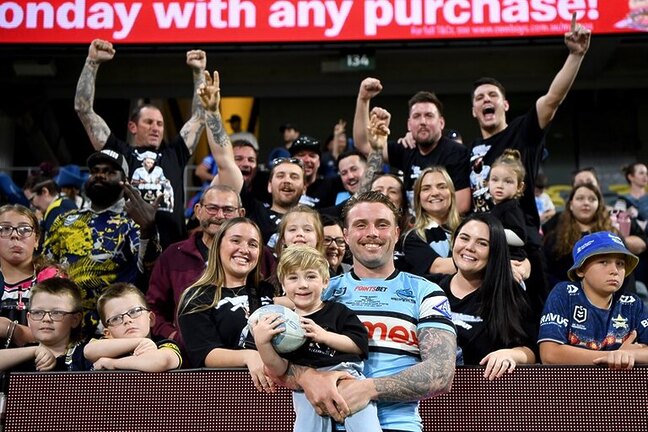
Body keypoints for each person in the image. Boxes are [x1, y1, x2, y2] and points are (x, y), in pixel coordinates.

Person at [275, 191, 456, 432]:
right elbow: (274, 359)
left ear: (396, 233)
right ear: (346, 236)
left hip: (397, 426)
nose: (372, 233)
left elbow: (441, 373)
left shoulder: (425, 292)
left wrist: (367, 389)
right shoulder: (319, 290)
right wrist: (307, 378)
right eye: (361, 225)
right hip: (325, 423)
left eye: (382, 225)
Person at [74, 39, 207, 247]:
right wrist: (92, 62)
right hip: (127, 248)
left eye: (160, 124)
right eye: (149, 122)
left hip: (171, 250)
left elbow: (200, 117)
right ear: (133, 127)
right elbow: (84, 110)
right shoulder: (119, 152)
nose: (156, 128)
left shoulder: (174, 154)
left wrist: (199, 73)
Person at [251, 245, 381, 432]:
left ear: (325, 281)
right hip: (306, 386)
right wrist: (262, 343)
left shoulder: (339, 311)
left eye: (311, 276)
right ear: (282, 284)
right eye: (293, 278)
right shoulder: (280, 323)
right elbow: (279, 368)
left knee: (366, 425)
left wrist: (325, 336)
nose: (302, 284)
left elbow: (358, 346)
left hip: (346, 377)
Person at [43, 149, 161, 338]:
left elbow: (149, 270)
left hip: (116, 328)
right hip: (66, 327)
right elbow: (46, 269)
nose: (100, 175)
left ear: (126, 181)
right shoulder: (65, 220)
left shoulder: (133, 222)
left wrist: (148, 229)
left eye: (109, 172)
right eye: (95, 171)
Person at [199, 70, 306, 246]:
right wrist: (212, 112)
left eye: (294, 176)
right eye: (280, 175)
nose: (287, 180)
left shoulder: (316, 216)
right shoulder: (254, 210)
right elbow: (225, 161)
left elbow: (362, 198)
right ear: (269, 185)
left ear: (305, 188)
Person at [177, 218, 276, 391]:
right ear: (218, 245)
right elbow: (205, 353)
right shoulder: (197, 297)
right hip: (224, 391)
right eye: (235, 241)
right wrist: (248, 356)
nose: (244, 250)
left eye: (253, 244)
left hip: (277, 388)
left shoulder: (268, 290)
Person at [437, 213, 537, 379]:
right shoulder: (429, 289)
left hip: (485, 395)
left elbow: (530, 352)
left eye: (482, 243)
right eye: (464, 238)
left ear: (495, 251)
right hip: (432, 396)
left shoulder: (510, 295)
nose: (469, 247)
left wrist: (511, 354)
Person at [146, 185, 246, 341]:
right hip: (189, 359)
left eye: (228, 210)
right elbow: (154, 308)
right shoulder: (173, 255)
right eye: (212, 208)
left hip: (244, 355)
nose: (219, 216)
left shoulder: (257, 254)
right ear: (198, 210)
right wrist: (173, 336)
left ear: (241, 214)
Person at [353, 83, 472, 213]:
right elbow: (364, 145)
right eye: (416, 116)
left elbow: (462, 205)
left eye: (429, 115)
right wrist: (363, 99)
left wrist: (425, 228)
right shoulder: (407, 148)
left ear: (441, 123)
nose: (423, 121)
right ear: (409, 125)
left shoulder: (456, 152)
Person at [538, 231, 648, 369]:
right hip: (571, 387)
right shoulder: (564, 294)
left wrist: (628, 355)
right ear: (580, 270)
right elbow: (549, 354)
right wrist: (613, 356)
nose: (614, 270)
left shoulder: (633, 303)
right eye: (603, 262)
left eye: (620, 263)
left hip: (618, 388)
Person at [543, 183, 647, 288]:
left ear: (599, 205)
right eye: (580, 198)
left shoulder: (613, 236)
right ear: (570, 204)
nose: (586, 203)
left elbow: (626, 276)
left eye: (592, 199)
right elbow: (547, 273)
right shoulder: (555, 237)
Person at [0, 204, 67, 349]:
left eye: (24, 229)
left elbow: (63, 332)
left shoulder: (52, 277)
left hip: (43, 364)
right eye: (5, 229)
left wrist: (13, 329)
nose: (15, 235)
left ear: (36, 240)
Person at [0, 278, 91, 373]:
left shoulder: (84, 355)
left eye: (57, 312)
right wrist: (34, 351)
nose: (46, 319)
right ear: (29, 318)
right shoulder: (21, 355)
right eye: (38, 312)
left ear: (75, 320)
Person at [84, 283, 182, 372]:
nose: (127, 320)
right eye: (116, 318)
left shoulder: (163, 344)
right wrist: (140, 342)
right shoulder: (107, 348)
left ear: (151, 319)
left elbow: (163, 361)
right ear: (108, 333)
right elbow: (88, 351)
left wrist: (112, 363)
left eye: (134, 311)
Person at [397, 166, 461, 279]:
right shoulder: (411, 238)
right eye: (426, 188)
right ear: (418, 198)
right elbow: (438, 267)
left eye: (442, 187)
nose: (435, 192)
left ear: (451, 193)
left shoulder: (468, 227)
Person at [486, 149, 528, 263]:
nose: (500, 185)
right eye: (494, 180)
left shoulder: (511, 208)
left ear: (519, 187)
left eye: (508, 182)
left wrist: (488, 231)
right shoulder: (496, 207)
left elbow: (520, 237)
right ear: (487, 182)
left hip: (512, 262)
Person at [289, 135, 343, 208]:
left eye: (312, 156)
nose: (307, 160)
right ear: (291, 161)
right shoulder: (280, 185)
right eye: (301, 155)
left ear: (319, 162)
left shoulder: (330, 185)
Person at [23, 175, 77, 240]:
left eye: (31, 199)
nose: (31, 205)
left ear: (44, 192)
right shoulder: (60, 206)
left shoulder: (59, 211)